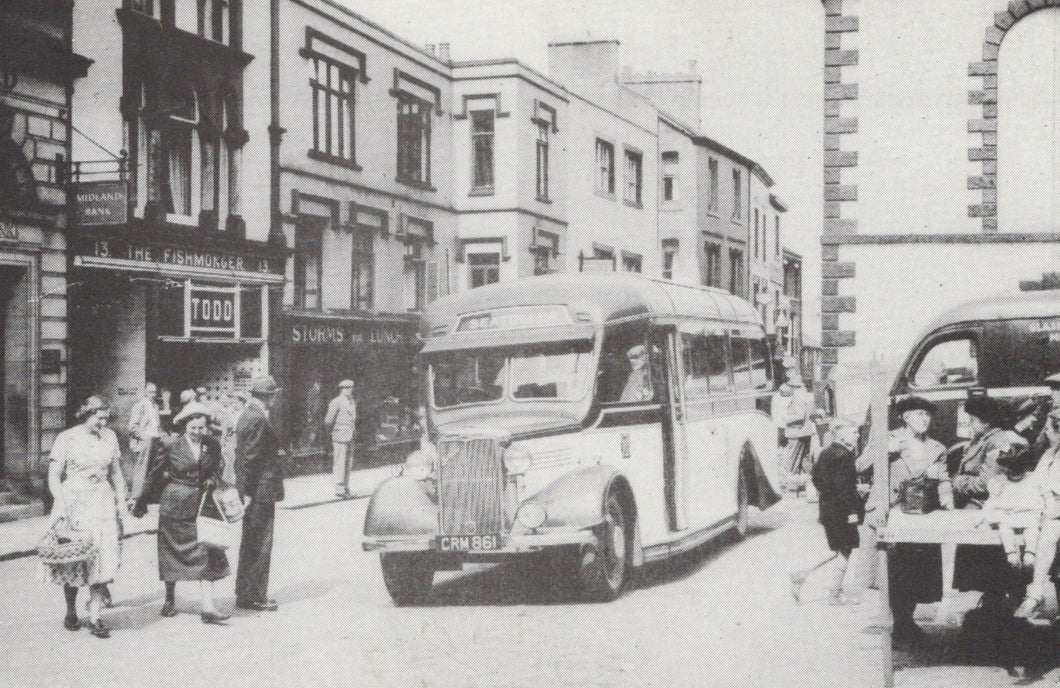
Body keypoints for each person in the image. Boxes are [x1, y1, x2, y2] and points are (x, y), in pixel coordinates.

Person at [857, 395, 951, 645]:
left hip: (921, 516)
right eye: (920, 414)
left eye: (928, 414)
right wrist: (885, 452)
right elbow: (859, 466)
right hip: (888, 512)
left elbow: (944, 479)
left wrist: (946, 494)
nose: (925, 419)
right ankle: (899, 623)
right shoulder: (887, 439)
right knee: (891, 571)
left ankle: (905, 621)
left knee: (915, 572)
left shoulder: (937, 447)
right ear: (905, 417)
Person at [132, 401, 231, 624]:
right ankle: (169, 599)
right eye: (193, 428)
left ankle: (208, 607)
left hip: (201, 507)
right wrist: (140, 499)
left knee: (208, 552)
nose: (197, 432)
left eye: (201, 428)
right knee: (171, 554)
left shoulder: (212, 445)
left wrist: (211, 481)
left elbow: (217, 469)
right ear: (185, 426)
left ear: (206, 427)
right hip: (175, 506)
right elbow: (154, 474)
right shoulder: (170, 445)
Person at [44, 396, 126, 638]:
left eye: (106, 418)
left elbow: (117, 473)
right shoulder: (66, 438)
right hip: (74, 500)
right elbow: (53, 475)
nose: (103, 423)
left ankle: (95, 615)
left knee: (102, 554)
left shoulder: (110, 437)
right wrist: (61, 503)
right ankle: (71, 609)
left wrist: (121, 500)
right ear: (85, 415)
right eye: (98, 418)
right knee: (74, 555)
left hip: (102, 499)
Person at [790, 417, 864, 605]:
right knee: (845, 550)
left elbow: (817, 479)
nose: (857, 435)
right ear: (841, 432)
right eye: (854, 431)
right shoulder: (844, 455)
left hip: (829, 510)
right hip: (843, 511)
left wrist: (829, 495)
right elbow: (844, 488)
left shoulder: (827, 452)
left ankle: (804, 574)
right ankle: (833, 594)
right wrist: (852, 511)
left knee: (838, 549)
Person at [234, 375, 284, 612]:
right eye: (273, 395)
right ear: (267, 396)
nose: (274, 399)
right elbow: (250, 460)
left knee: (250, 542)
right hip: (260, 492)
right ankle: (255, 595)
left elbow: (244, 456)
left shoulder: (247, 415)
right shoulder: (258, 420)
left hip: (253, 491)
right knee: (261, 544)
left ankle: (244, 593)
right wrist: (247, 493)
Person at [1015, 406, 1060, 619]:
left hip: (1055, 514)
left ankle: (1035, 593)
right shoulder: (1050, 455)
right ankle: (1034, 592)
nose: (1046, 433)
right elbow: (1038, 484)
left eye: (1049, 429)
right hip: (1048, 510)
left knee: (1051, 529)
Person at [978, 445, 1043, 573]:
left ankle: (1030, 553)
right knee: (1004, 526)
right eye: (1010, 472)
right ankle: (1011, 553)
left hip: (1027, 513)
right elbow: (991, 500)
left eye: (1019, 472)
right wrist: (982, 516)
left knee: (1032, 527)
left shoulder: (1034, 478)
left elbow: (1043, 494)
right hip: (1006, 514)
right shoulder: (999, 480)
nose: (1015, 476)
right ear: (1005, 468)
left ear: (1026, 467)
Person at [126, 382, 160, 499]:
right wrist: (144, 438)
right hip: (144, 443)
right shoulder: (140, 405)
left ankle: (148, 497)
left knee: (152, 470)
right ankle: (136, 497)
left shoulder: (155, 406)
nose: (153, 394)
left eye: (155, 392)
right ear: (145, 392)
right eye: (151, 392)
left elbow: (155, 424)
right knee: (141, 470)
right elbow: (132, 427)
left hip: (155, 442)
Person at [324, 379, 357, 498]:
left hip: (350, 435)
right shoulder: (336, 402)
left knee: (348, 463)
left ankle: (346, 487)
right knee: (339, 463)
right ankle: (339, 488)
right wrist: (332, 433)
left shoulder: (352, 401)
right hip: (339, 435)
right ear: (341, 389)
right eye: (347, 388)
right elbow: (328, 421)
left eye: (351, 388)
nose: (349, 390)